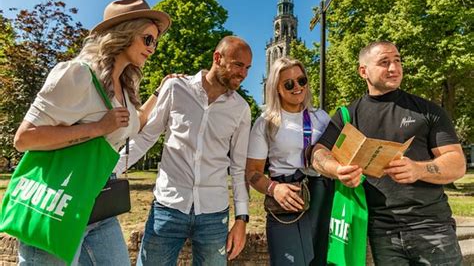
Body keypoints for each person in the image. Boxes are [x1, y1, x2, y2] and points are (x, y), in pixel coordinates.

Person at [13, 0, 171, 265]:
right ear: (125, 32)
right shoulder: (77, 75)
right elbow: (24, 138)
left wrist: (161, 90)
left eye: (155, 42)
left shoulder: (123, 87)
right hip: (59, 204)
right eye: (147, 39)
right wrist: (98, 128)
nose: (153, 48)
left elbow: (133, 124)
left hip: (100, 207)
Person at [311, 41, 466, 265]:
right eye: (385, 62)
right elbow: (318, 154)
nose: (394, 68)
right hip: (382, 232)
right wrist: (337, 170)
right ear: (363, 71)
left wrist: (418, 169)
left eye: (397, 60)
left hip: (432, 227)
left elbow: (457, 163)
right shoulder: (348, 115)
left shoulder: (428, 110)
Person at [114, 35, 253, 265]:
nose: (244, 74)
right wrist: (111, 170)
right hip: (168, 207)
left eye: (247, 68)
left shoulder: (241, 110)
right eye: (238, 65)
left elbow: (238, 169)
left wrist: (242, 219)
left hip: (213, 213)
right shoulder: (176, 88)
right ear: (217, 58)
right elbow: (146, 137)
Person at [246, 58, 333, 266]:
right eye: (289, 84)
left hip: (321, 196)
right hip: (287, 200)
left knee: (320, 260)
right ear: (276, 87)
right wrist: (274, 189)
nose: (297, 87)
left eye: (301, 80)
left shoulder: (320, 117)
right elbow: (252, 172)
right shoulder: (266, 122)